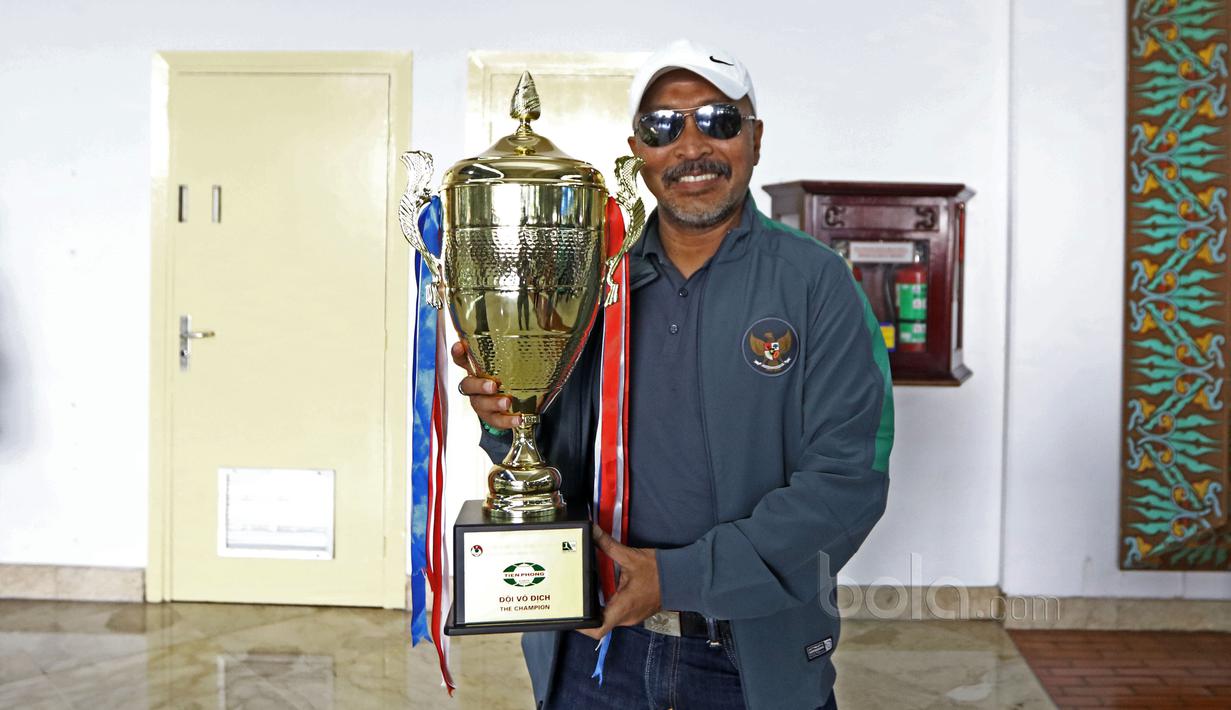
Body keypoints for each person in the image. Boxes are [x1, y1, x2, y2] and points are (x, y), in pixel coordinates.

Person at [453, 39, 894, 710]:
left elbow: (846, 484)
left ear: (755, 137)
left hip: (750, 658)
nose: (691, 146)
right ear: (638, 150)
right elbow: (557, 455)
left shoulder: (816, 283)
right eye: (663, 126)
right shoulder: (587, 277)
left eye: (719, 119)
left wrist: (680, 576)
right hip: (592, 651)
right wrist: (508, 419)